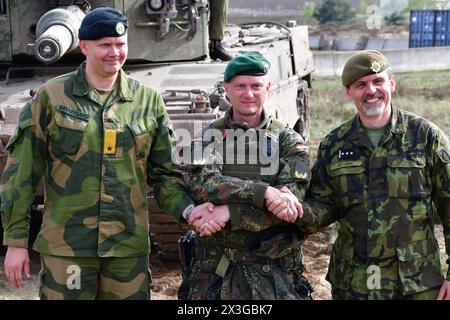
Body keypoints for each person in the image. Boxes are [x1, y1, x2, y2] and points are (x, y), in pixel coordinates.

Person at [0, 7, 213, 300]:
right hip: (67, 248)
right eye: (105, 45)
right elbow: (21, 172)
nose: (115, 52)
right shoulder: (52, 97)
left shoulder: (148, 101)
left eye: (120, 44)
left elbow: (164, 176)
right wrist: (16, 242)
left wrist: (188, 210)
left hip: (127, 249)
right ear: (84, 46)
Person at [293, 50, 450, 300]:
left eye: (378, 81)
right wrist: (290, 207)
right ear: (348, 91)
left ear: (392, 83)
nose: (371, 90)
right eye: (361, 85)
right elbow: (323, 206)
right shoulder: (334, 144)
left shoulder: (426, 137)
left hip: (416, 283)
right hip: (355, 284)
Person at [179, 51, 312, 300]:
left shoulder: (289, 141)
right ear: (226, 88)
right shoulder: (208, 137)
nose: (248, 94)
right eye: (240, 86)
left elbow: (290, 205)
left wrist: (229, 212)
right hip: (214, 274)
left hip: (274, 274)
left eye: (256, 86)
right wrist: (264, 193)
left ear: (268, 87)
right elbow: (204, 185)